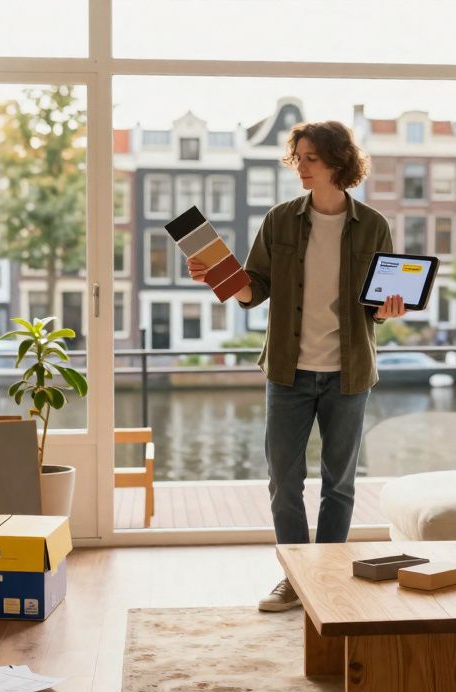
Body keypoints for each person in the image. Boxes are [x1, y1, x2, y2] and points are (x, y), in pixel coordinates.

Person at [187, 120, 405, 612]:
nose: (300, 167)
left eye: (310, 158)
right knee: (284, 480)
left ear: (337, 162)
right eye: (298, 157)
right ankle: (294, 576)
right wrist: (219, 279)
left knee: (339, 482)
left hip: (349, 373)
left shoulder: (373, 226)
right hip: (288, 371)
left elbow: (379, 303)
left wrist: (389, 309)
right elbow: (254, 288)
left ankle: (326, 577)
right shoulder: (280, 220)